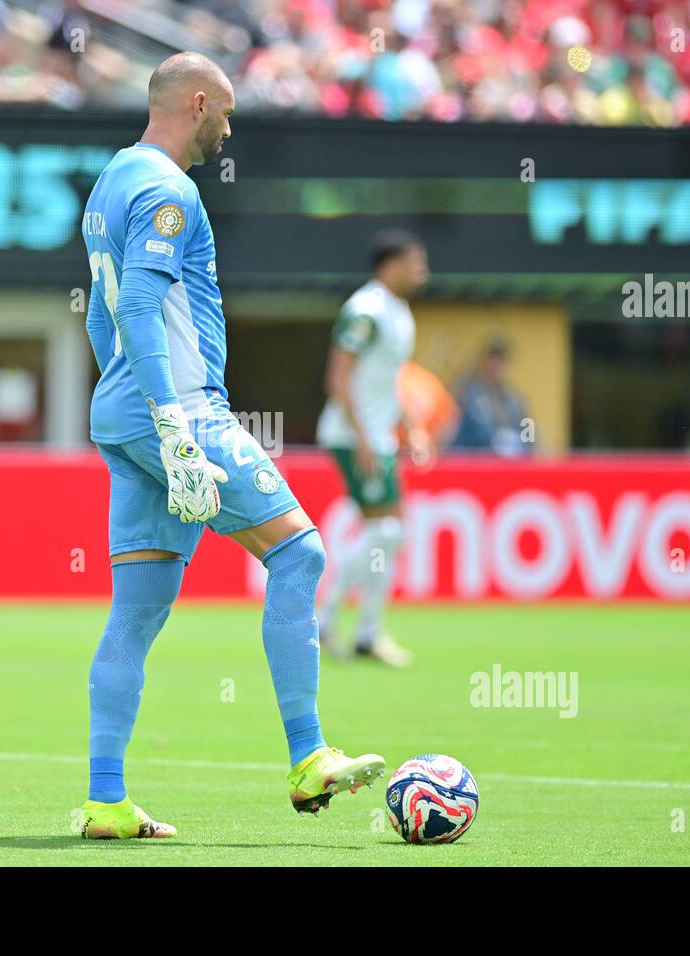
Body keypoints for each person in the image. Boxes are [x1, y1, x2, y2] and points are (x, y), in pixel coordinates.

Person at [78, 51, 384, 840]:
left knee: (137, 611)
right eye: (228, 112)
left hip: (124, 409)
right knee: (300, 553)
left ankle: (106, 800)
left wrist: (128, 403)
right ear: (200, 100)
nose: (229, 128)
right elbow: (141, 307)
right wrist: (175, 425)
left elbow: (99, 319)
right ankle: (309, 755)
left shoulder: (110, 182)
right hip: (175, 407)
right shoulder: (168, 190)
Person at [316, 230, 431, 667]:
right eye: (415, 261)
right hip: (352, 435)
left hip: (377, 436)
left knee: (389, 532)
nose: (423, 270)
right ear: (391, 264)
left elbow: (389, 381)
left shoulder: (399, 313)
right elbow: (339, 378)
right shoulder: (364, 310)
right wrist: (364, 438)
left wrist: (411, 426)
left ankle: (365, 632)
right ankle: (329, 622)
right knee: (383, 531)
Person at [452, 339, 531, 455]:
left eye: (500, 360)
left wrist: (526, 443)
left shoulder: (512, 398)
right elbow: (464, 432)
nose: (495, 365)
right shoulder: (468, 393)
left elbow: (528, 428)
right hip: (475, 461)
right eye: (492, 359)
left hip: (510, 463)